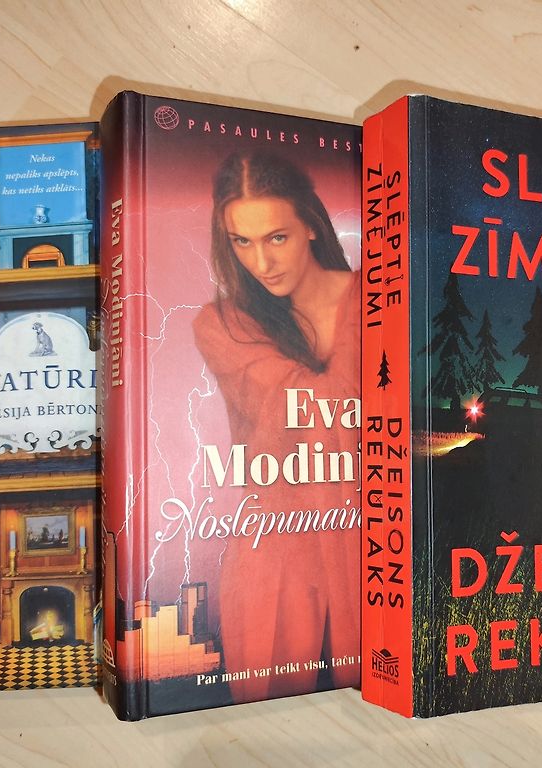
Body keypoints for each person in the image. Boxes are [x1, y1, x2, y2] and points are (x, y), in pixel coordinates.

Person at [192, 150, 359, 704]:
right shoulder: (222, 324)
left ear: (310, 224)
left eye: (276, 238)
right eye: (242, 242)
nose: (261, 262)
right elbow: (315, 402)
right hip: (278, 556)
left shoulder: (378, 298)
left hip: (371, 547)